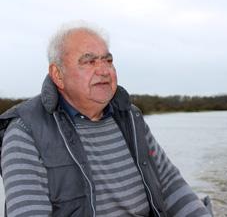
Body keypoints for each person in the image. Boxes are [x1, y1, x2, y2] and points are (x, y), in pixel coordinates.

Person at [0, 22, 212, 217]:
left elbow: (170, 185)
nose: (103, 70)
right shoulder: (25, 132)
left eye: (108, 60)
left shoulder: (130, 117)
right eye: (89, 61)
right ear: (58, 75)